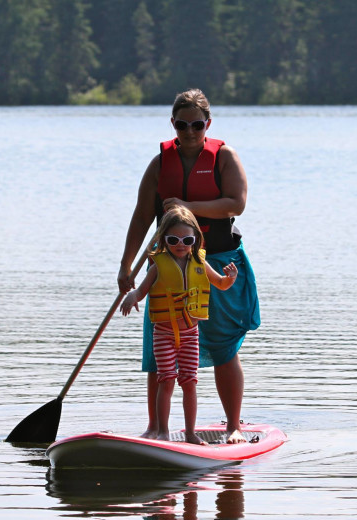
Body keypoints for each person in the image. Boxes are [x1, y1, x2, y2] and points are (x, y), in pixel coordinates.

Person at [118, 88, 260, 444]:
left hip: (216, 258)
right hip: (167, 263)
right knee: (160, 341)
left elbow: (236, 203)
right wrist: (126, 267)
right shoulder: (160, 162)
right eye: (182, 125)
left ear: (207, 123)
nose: (190, 132)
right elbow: (141, 216)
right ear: (173, 124)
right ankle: (156, 428)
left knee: (224, 344)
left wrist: (187, 205)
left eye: (197, 125)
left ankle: (233, 427)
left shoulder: (224, 156)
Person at [120, 206, 238, 444]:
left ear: (195, 240)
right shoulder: (158, 265)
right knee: (166, 379)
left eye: (187, 239)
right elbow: (142, 291)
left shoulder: (200, 263)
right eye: (173, 239)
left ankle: (190, 433)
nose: (180, 244)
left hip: (190, 334)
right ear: (164, 239)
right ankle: (162, 431)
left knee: (189, 382)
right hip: (163, 333)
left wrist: (230, 278)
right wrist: (132, 296)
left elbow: (221, 284)